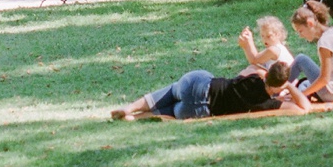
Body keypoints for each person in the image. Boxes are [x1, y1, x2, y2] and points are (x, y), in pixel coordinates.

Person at [109, 60, 310, 120]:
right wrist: (290, 86)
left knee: (172, 91)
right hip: (202, 110)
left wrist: (262, 72)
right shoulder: (268, 104)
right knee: (173, 113)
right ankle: (137, 118)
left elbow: (250, 68)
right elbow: (304, 108)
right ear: (280, 84)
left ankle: (130, 108)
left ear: (267, 75)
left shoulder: (254, 77)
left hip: (199, 84)